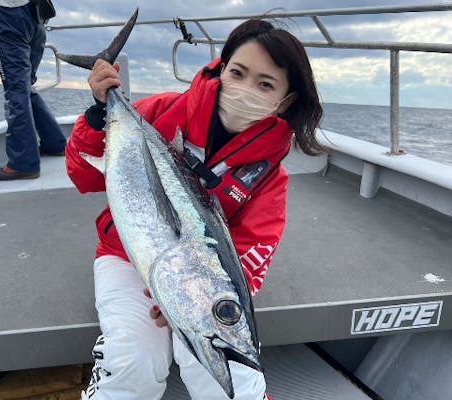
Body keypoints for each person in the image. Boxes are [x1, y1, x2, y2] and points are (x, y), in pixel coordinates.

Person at [66, 17, 324, 400]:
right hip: (124, 258)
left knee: (237, 380)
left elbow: (247, 260)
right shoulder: (161, 110)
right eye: (237, 72)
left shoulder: (270, 176)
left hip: (201, 285)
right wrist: (96, 115)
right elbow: (83, 176)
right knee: (132, 363)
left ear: (285, 101)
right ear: (221, 70)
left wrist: (186, 298)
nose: (245, 89)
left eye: (265, 84)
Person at [0, 0, 67, 180]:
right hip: (36, 16)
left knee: (16, 90)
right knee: (24, 87)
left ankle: (23, 163)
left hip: (7, 14)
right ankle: (55, 143)